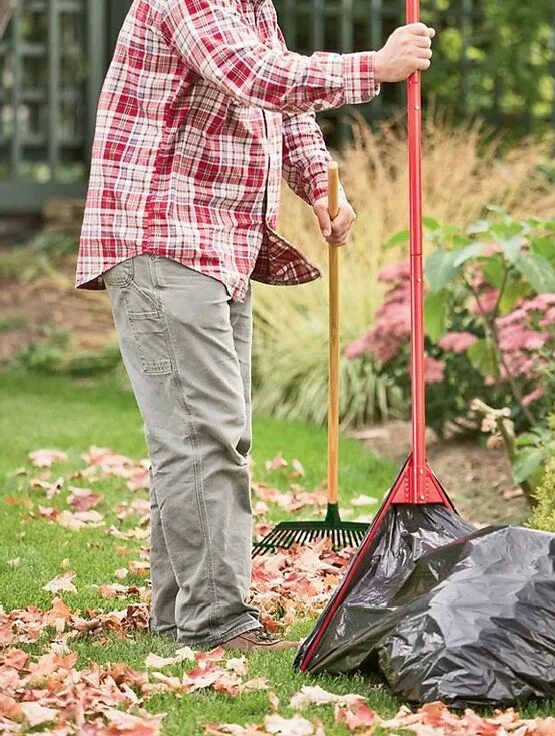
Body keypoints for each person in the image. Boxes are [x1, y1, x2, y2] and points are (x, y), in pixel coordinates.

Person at [74, 0, 434, 653]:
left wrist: (323, 187)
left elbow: (281, 111)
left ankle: (180, 611)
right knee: (205, 435)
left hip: (220, 245)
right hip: (164, 238)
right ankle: (216, 620)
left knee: (203, 435)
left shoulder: (251, 5)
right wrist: (373, 67)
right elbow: (253, 74)